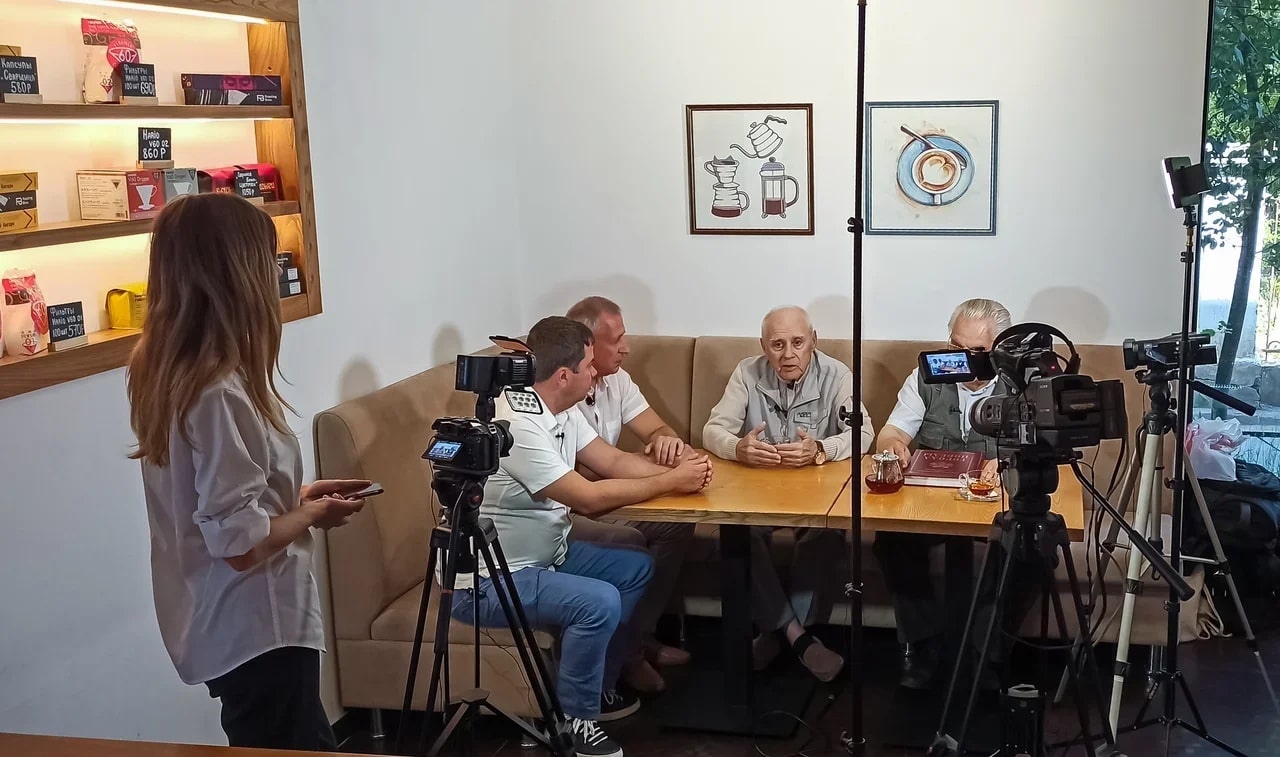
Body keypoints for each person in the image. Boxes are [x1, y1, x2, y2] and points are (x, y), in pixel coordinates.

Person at [128, 193, 371, 751]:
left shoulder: (162, 373)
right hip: (259, 626)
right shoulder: (218, 392)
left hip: (221, 623)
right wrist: (311, 513)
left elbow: (218, 501)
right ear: (238, 276)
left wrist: (299, 496)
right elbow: (238, 543)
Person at [450, 316, 713, 757]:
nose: (596, 373)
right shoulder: (519, 425)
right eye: (589, 366)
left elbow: (613, 462)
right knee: (599, 600)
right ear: (564, 375)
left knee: (635, 568)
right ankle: (575, 724)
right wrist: (672, 482)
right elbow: (588, 500)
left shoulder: (562, 408)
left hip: (546, 558)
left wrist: (687, 469)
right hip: (490, 580)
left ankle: (598, 688)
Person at [702, 306, 874, 682]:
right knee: (738, 534)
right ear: (763, 346)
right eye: (777, 345)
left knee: (825, 535)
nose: (788, 354)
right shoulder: (746, 372)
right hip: (757, 495)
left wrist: (821, 449)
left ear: (814, 341)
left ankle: (776, 633)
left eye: (797, 342)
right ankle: (799, 638)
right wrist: (737, 448)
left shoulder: (837, 375)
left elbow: (863, 433)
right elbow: (712, 430)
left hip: (816, 496)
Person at [871, 297, 1013, 689]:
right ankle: (923, 643)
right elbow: (892, 430)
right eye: (955, 347)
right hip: (932, 504)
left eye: (976, 351)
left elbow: (1041, 449)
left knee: (1029, 547)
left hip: (993, 506)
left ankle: (984, 652)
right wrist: (894, 445)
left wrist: (1007, 461)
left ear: (999, 350)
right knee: (891, 540)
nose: (962, 359)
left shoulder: (1020, 384)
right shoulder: (925, 376)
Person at [565, 296, 698, 691]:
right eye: (617, 340)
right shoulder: (562, 386)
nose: (626, 348)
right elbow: (583, 475)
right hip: (572, 508)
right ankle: (628, 654)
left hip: (611, 495)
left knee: (677, 526)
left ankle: (636, 638)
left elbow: (655, 431)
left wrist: (667, 444)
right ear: (587, 345)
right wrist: (672, 474)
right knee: (631, 542)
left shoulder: (617, 379)